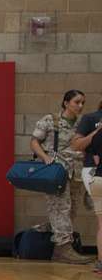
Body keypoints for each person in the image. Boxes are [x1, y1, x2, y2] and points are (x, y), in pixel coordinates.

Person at [31, 89, 93, 265]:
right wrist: (44, 157)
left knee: (71, 210)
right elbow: (34, 141)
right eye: (77, 102)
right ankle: (63, 249)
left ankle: (50, 234)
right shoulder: (51, 120)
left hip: (77, 171)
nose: (80, 106)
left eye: (83, 103)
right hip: (57, 170)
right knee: (60, 208)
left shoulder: (84, 123)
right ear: (66, 103)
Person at [78, 98, 102, 273]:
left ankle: (101, 262)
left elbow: (95, 156)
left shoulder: (98, 132)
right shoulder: (90, 118)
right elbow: (77, 145)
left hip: (97, 177)